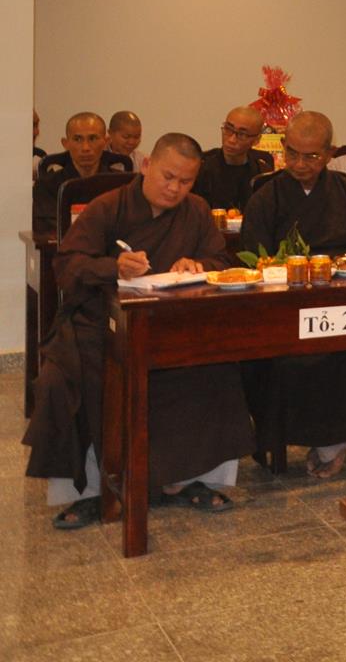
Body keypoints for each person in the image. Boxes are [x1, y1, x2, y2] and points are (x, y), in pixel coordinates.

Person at [24, 133, 256, 528]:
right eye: (168, 177)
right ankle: (90, 492)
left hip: (169, 323)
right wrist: (112, 267)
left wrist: (197, 264)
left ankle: (187, 478)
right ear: (147, 165)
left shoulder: (197, 210)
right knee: (63, 382)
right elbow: (66, 266)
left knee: (215, 368)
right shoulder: (107, 207)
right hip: (98, 322)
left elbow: (220, 259)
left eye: (186, 181)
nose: (175, 189)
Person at [241, 112, 346, 479]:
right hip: (284, 312)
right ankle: (317, 442)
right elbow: (254, 264)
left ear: (330, 153)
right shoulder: (265, 199)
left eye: (311, 156)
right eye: (292, 154)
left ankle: (337, 441)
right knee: (278, 360)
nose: (300, 164)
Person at [32, 111, 136, 230]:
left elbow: (130, 225)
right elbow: (50, 229)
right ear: (66, 144)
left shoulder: (122, 184)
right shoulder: (47, 185)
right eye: (77, 139)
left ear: (105, 142)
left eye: (93, 138)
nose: (85, 147)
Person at [193, 105, 274, 211]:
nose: (231, 140)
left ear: (256, 140)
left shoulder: (263, 166)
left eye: (242, 134)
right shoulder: (201, 165)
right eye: (228, 129)